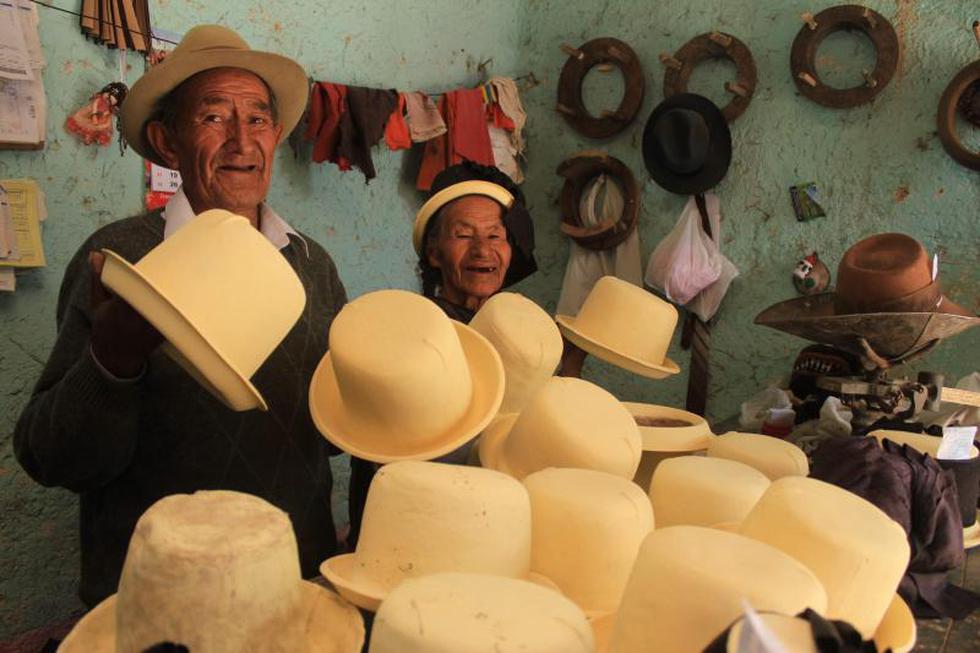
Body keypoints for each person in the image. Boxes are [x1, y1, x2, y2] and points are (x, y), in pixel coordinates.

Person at [13, 26, 347, 609]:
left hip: (291, 584)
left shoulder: (312, 264)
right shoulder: (120, 260)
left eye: (259, 119)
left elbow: (329, 437)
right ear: (167, 142)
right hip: (159, 601)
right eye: (214, 117)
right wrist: (111, 363)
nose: (242, 140)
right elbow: (53, 458)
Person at [346, 162, 538, 548]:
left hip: (493, 530)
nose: (482, 249)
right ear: (434, 253)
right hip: (413, 528)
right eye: (463, 234)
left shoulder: (523, 338)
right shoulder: (412, 335)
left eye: (495, 235)